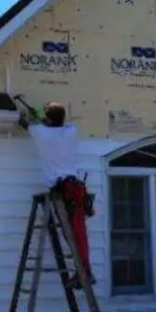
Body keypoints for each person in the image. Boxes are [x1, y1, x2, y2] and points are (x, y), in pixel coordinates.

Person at [19, 100, 95, 288]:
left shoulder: (41, 133)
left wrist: (35, 118)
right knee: (79, 234)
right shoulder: (71, 132)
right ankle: (84, 271)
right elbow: (58, 127)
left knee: (74, 235)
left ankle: (83, 273)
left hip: (62, 190)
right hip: (74, 187)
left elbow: (24, 123)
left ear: (48, 120)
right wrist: (45, 119)